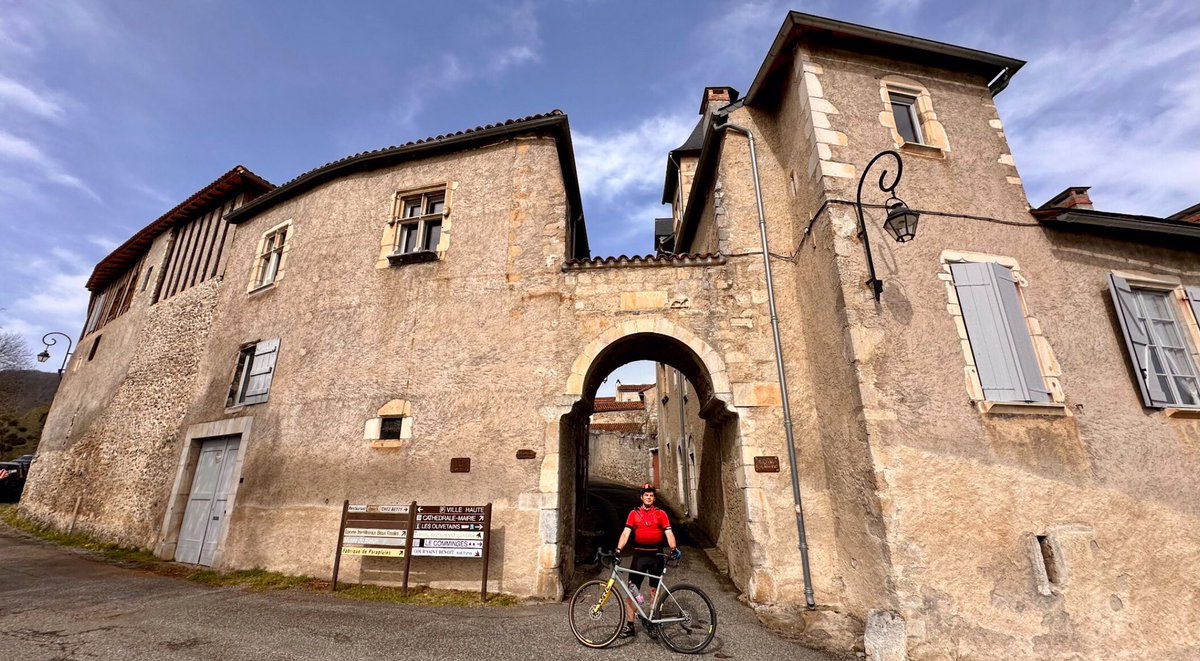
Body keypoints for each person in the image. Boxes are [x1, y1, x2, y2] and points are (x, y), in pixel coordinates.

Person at [614, 483, 680, 638]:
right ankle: (630, 626)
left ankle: (652, 622)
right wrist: (618, 550)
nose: (649, 497)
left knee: (654, 592)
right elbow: (626, 533)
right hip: (639, 556)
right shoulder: (634, 514)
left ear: (654, 498)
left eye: (651, 495)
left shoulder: (661, 514)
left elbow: (669, 533)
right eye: (646, 495)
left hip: (656, 556)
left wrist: (673, 548)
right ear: (641, 497)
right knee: (632, 590)